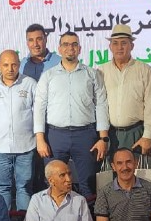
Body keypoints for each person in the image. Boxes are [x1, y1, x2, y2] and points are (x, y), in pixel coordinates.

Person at [34, 31, 109, 196]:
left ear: (80, 49)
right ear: (59, 49)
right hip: (55, 136)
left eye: (74, 44)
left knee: (88, 184)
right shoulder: (48, 76)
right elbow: (39, 107)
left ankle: (87, 214)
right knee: (54, 184)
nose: (70, 48)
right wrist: (40, 139)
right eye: (66, 44)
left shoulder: (92, 74)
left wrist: (103, 138)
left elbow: (101, 105)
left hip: (85, 136)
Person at [0, 50, 37, 211]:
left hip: (26, 147)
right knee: (2, 187)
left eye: (14, 64)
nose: (10, 69)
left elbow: (38, 115)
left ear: (19, 65)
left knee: (24, 188)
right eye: (6, 65)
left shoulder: (30, 84)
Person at [96, 24, 151, 153]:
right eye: (115, 43)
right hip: (110, 135)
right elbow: (98, 104)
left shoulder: (144, 70)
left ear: (132, 46)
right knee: (111, 166)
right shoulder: (101, 71)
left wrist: (147, 136)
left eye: (124, 43)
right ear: (110, 46)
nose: (119, 47)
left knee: (137, 166)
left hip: (137, 134)